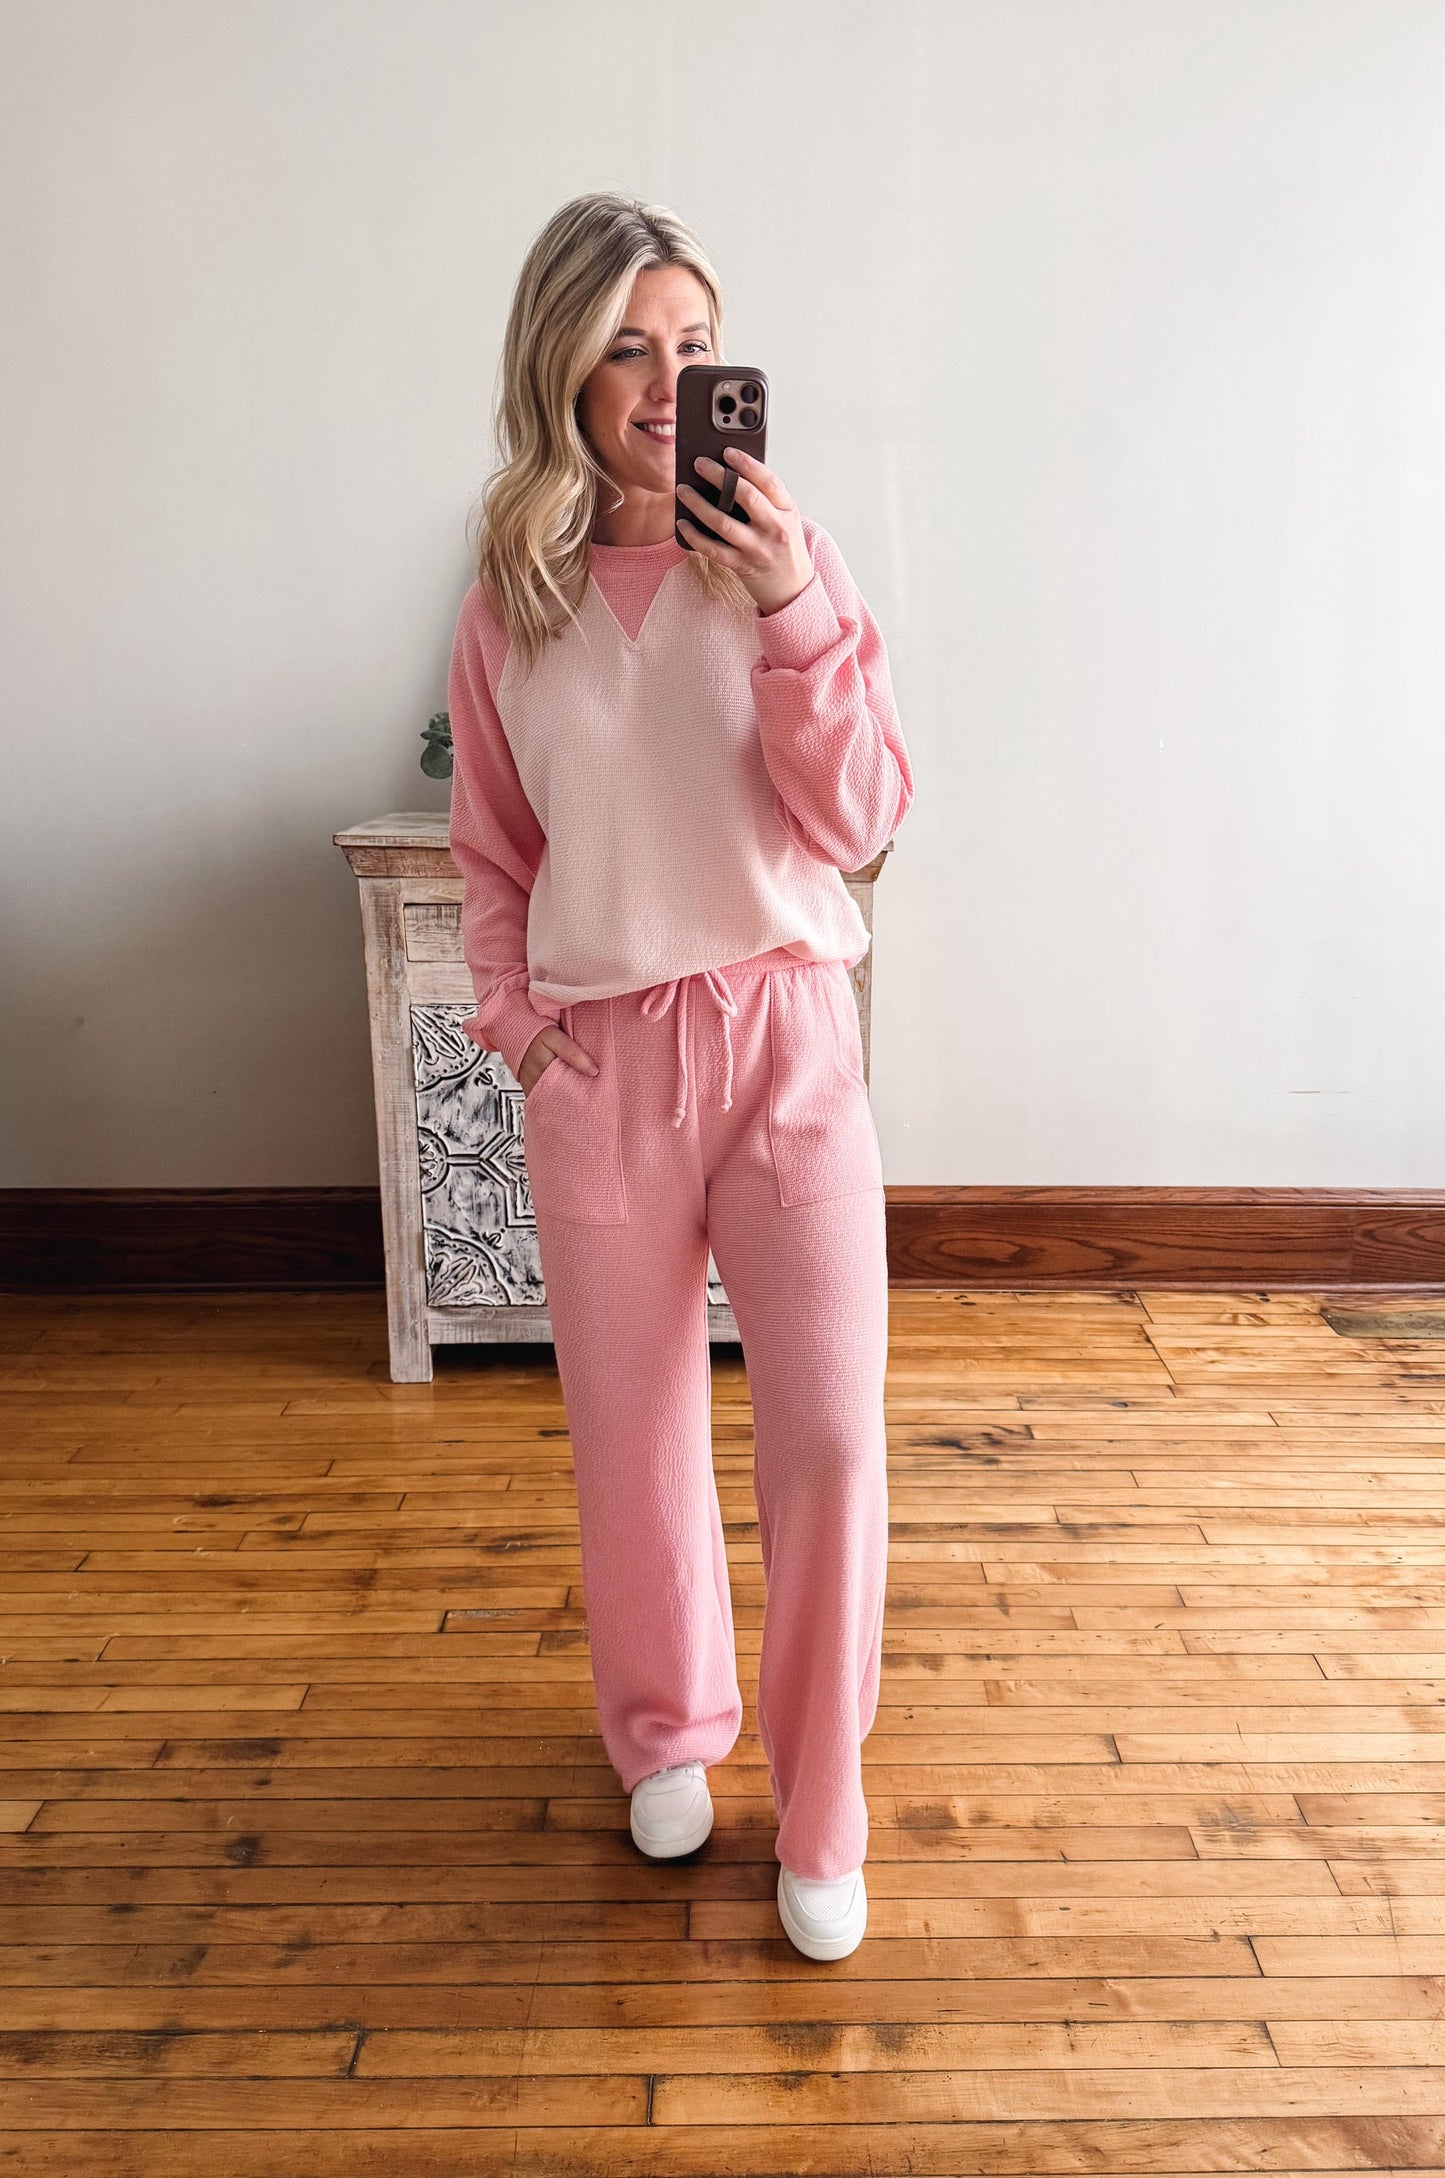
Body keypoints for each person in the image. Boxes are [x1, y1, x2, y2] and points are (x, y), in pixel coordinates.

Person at [446, 191, 913, 1962]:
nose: (667, 381)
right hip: (603, 1068)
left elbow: (862, 818)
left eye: (696, 345)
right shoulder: (515, 602)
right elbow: (494, 848)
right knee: (630, 1438)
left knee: (826, 1440)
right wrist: (521, 1023)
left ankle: (822, 1798)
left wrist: (791, 604)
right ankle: (662, 1732)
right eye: (631, 346)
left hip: (784, 1038)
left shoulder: (785, 557)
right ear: (561, 367)